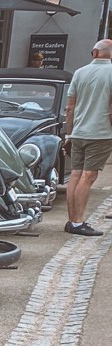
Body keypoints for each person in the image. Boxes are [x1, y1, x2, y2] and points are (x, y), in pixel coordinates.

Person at [63, 38, 112, 236]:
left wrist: (69, 132)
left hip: (79, 131)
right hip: (100, 132)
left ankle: (72, 220)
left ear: (94, 52)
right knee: (89, 175)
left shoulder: (80, 72)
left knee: (76, 174)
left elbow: (70, 107)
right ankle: (78, 222)